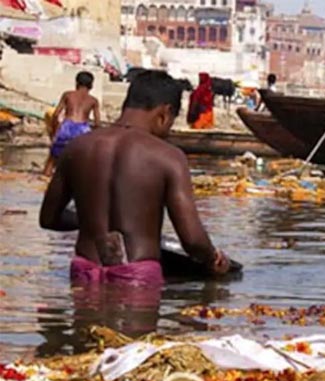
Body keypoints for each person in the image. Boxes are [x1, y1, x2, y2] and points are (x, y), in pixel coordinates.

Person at [39, 70, 230, 290]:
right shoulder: (168, 157)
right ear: (164, 114)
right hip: (137, 277)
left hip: (85, 270)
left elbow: (49, 219)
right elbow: (192, 240)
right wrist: (213, 259)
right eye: (170, 124)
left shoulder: (77, 148)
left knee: (86, 323)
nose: (167, 132)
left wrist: (90, 219)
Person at [44, 71, 101, 176]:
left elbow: (56, 114)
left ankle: (46, 179)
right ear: (91, 85)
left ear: (76, 83)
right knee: (81, 162)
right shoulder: (93, 101)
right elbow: (97, 124)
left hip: (67, 127)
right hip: (83, 130)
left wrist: (54, 131)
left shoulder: (68, 95)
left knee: (52, 159)